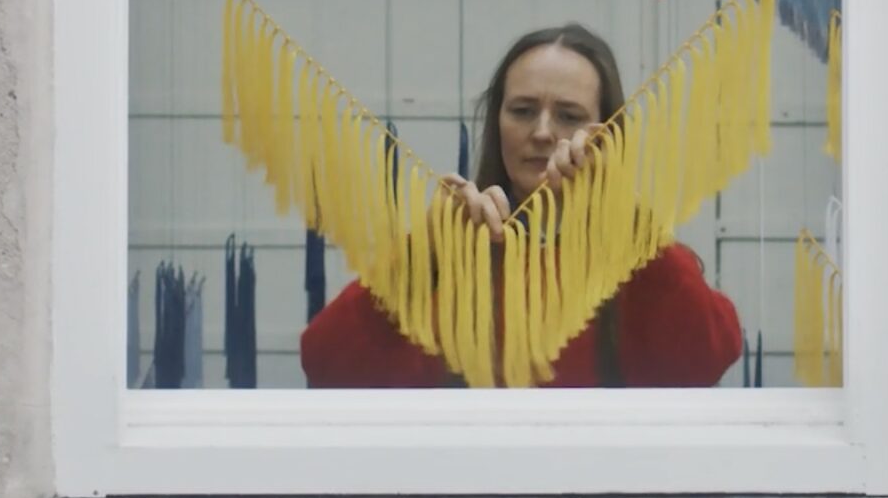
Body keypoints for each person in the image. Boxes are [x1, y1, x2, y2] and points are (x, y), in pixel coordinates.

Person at [300, 23, 744, 387]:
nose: (543, 133)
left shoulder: (641, 257)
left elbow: (707, 358)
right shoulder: (449, 249)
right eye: (523, 110)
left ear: (608, 134)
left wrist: (620, 213)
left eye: (569, 115)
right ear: (498, 122)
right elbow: (326, 365)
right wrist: (424, 254)